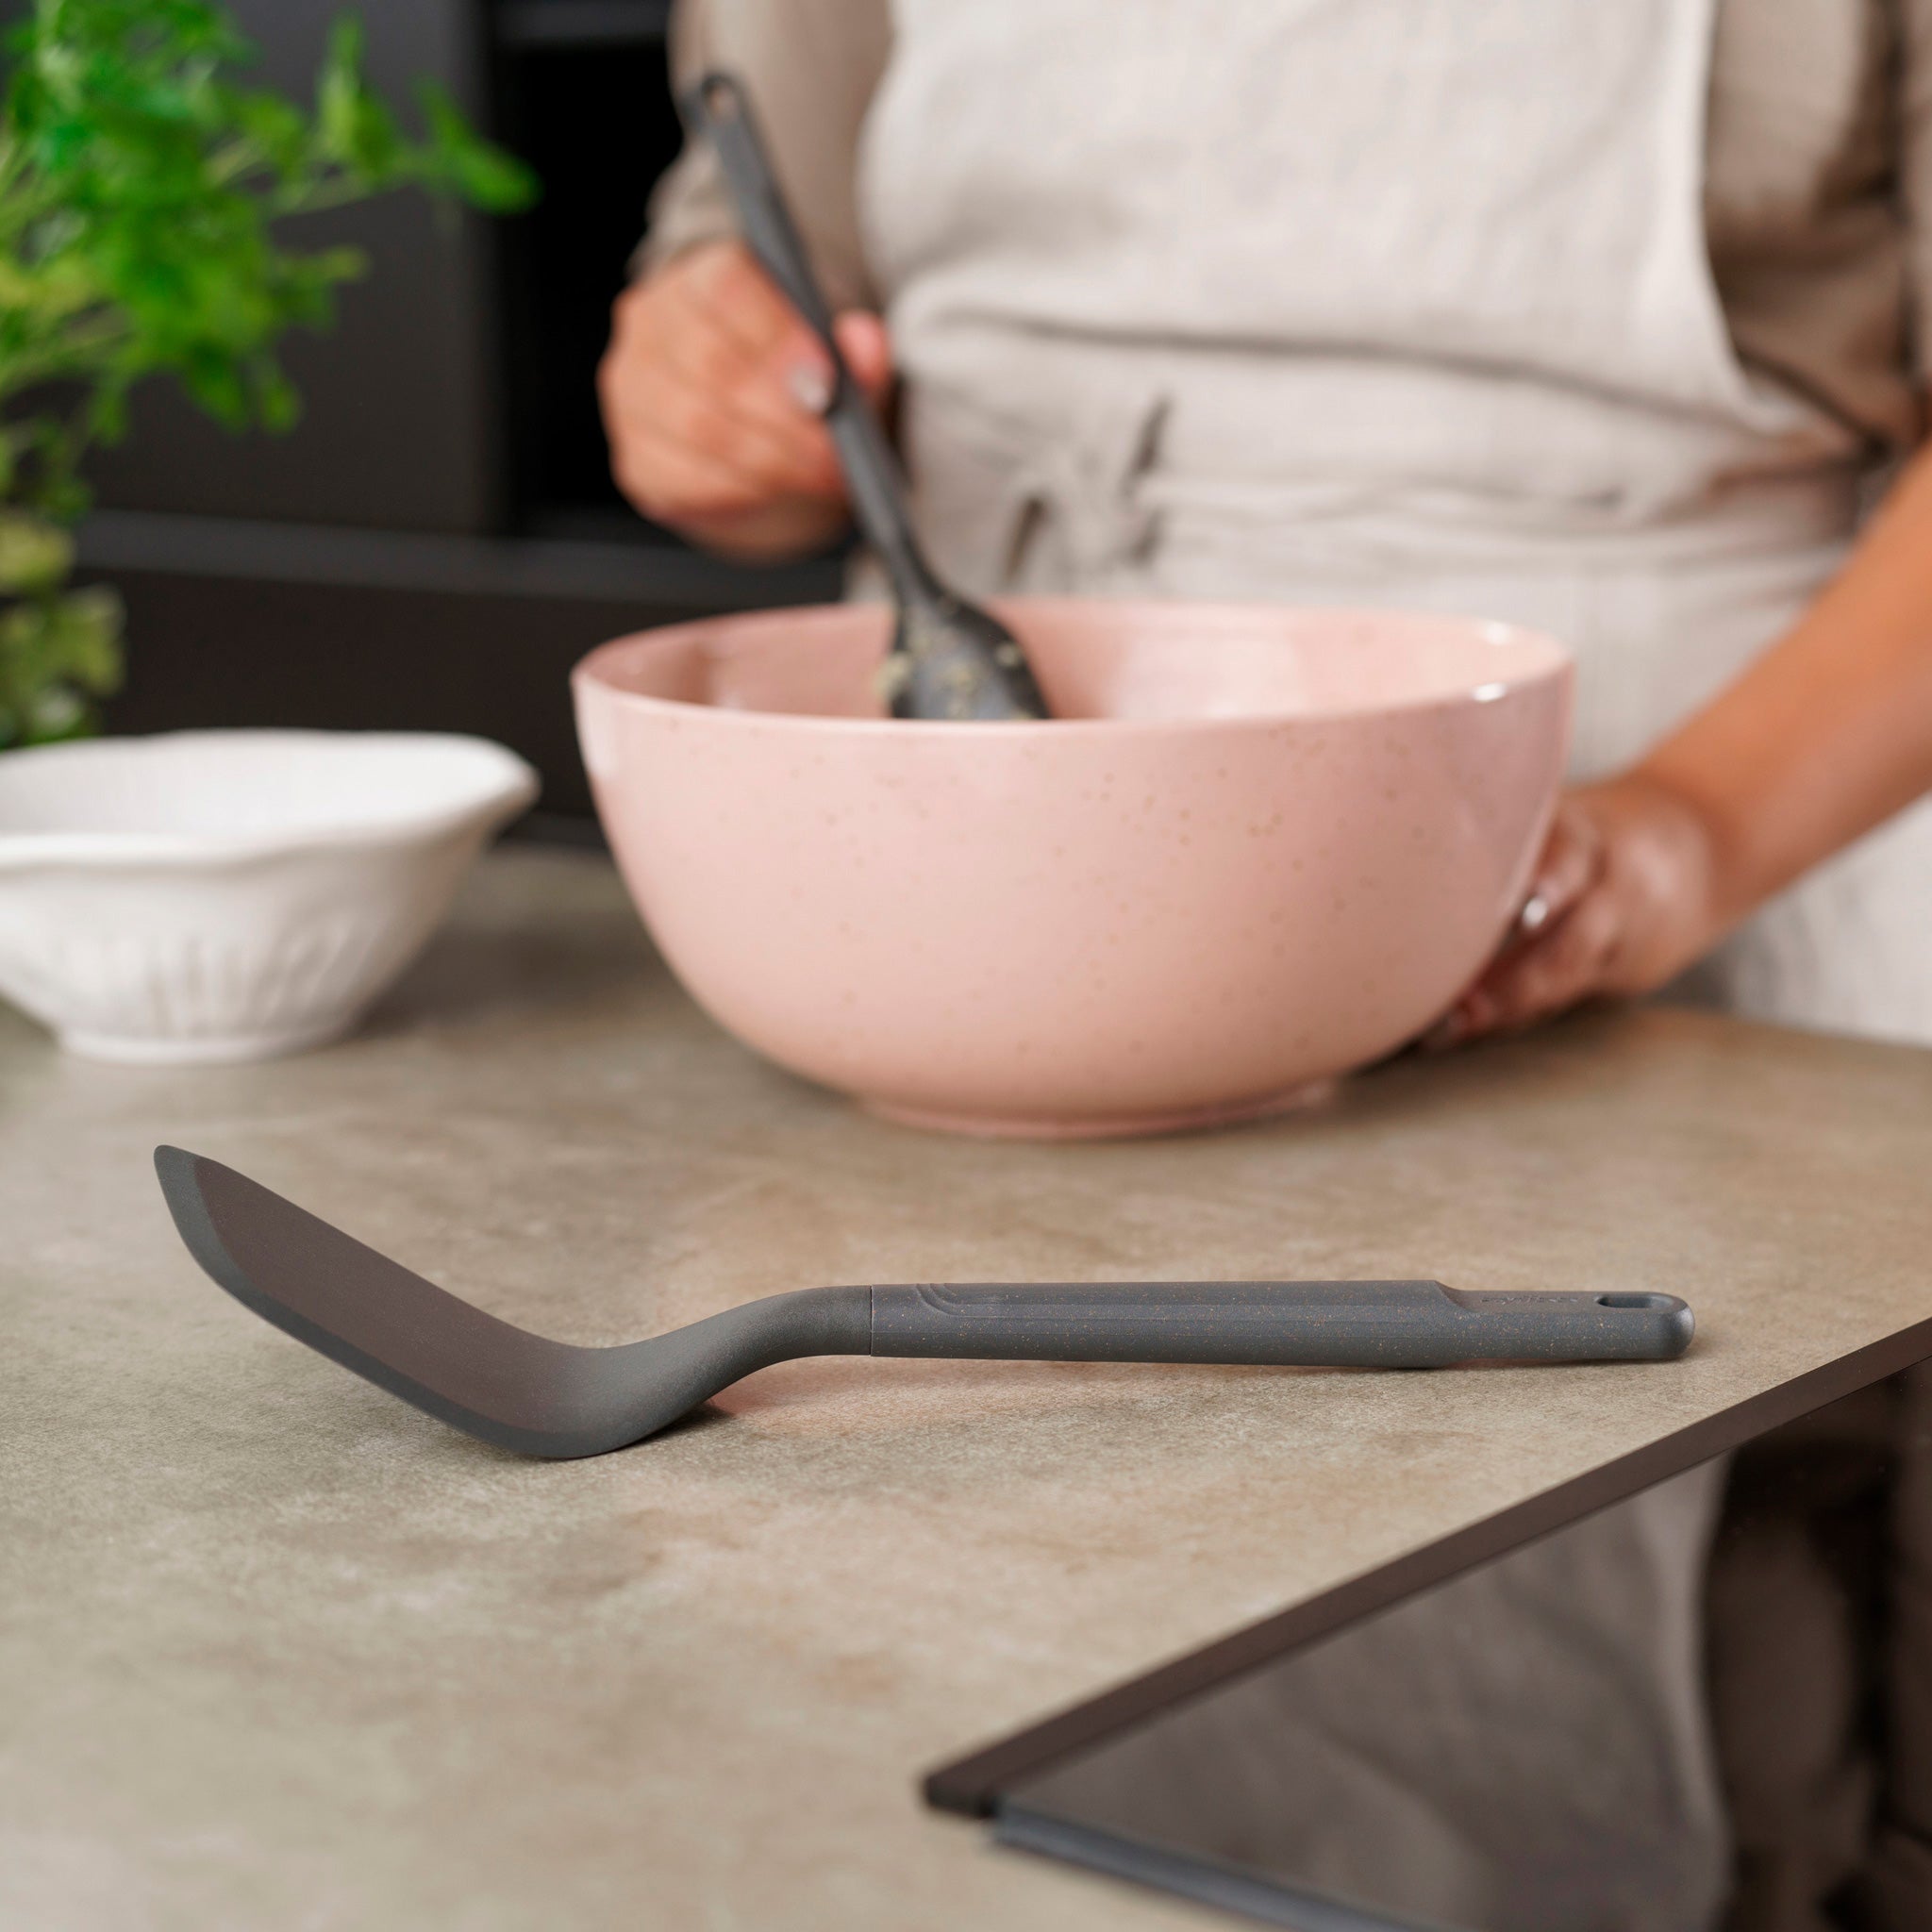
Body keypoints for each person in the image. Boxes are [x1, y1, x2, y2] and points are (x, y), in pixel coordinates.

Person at [600, 0, 1932, 1057]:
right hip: (954, 862)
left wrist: (1685, 832)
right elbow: (761, 281)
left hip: (1719, 850)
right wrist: (717, 404)